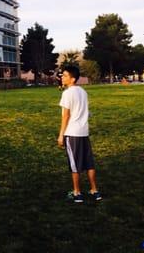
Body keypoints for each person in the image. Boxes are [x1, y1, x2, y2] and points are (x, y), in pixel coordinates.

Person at [58, 65, 102, 203]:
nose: (62, 77)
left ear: (72, 79)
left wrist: (61, 135)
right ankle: (94, 190)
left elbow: (65, 116)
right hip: (84, 132)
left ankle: (77, 193)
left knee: (74, 165)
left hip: (72, 134)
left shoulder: (67, 93)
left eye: (65, 75)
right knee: (89, 163)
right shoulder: (83, 92)